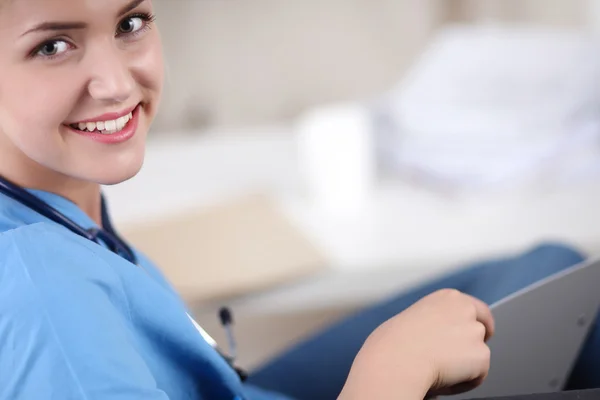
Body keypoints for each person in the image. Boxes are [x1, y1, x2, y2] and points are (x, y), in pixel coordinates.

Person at [0, 1, 588, 399]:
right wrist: (389, 374)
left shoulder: (56, 198)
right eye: (53, 46)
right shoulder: (42, 292)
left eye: (130, 23)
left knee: (553, 273)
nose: (118, 83)